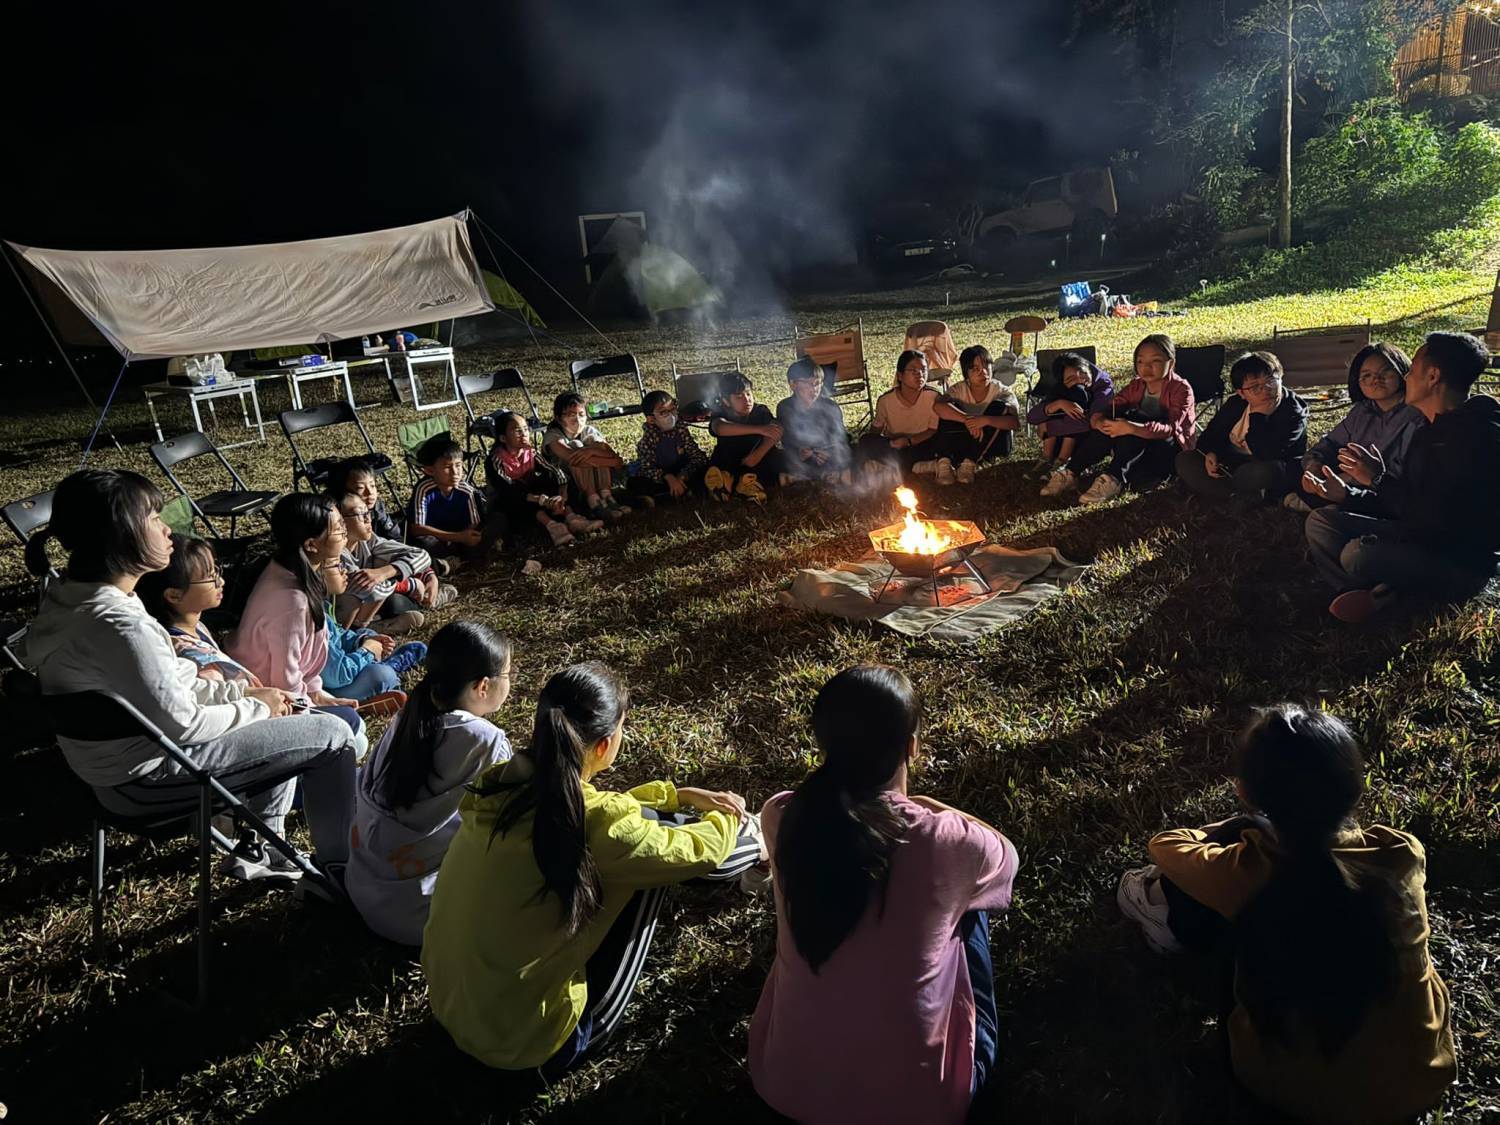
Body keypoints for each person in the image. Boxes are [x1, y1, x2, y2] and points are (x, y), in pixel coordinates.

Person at [1116, 705, 1455, 1124]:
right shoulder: (1402, 852)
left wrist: (1245, 824)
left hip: (1282, 1092)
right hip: (1418, 1079)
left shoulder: (1248, 872)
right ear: (1353, 784)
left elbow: (1165, 846)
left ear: (1246, 791)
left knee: (1214, 906)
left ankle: (1154, 909)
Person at [423, 661, 764, 1072]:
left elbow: (599, 817)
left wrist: (675, 796)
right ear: (604, 744)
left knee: (640, 842)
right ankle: (763, 845)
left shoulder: (500, 786)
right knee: (654, 872)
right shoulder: (596, 824)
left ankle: (755, 847)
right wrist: (731, 817)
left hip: (455, 1010)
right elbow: (698, 853)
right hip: (532, 1046)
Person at [24, 470, 356, 883]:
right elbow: (184, 723)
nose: (167, 530)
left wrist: (242, 692)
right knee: (333, 736)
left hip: (114, 776)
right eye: (154, 519)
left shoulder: (74, 598)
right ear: (122, 535)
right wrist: (255, 706)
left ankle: (265, 847)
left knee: (282, 715)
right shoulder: (118, 623)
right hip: (149, 779)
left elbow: (170, 684)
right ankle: (342, 869)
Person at [749, 665, 1018, 1125]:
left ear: (823, 742)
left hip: (783, 1087)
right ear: (911, 745)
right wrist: (931, 807)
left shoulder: (781, 815)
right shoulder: (950, 840)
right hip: (923, 1106)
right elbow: (1007, 861)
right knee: (971, 910)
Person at [1303, 331, 1500, 622]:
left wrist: (1377, 479)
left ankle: (1386, 594)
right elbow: (1406, 501)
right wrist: (1349, 495)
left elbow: (1438, 522)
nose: (1406, 377)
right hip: (1417, 534)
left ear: (1432, 376)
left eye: (1411, 370)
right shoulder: (1431, 430)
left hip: (1459, 561)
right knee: (1321, 521)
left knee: (1356, 554)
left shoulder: (1476, 438)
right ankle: (1363, 592)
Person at [346, 621, 513, 945]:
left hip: (363, 889)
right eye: (508, 674)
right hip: (420, 916)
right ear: (482, 687)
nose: (511, 682)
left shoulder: (408, 718)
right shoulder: (487, 742)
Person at [229, 494, 363, 740]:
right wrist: (310, 708)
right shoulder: (292, 600)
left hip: (295, 687)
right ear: (311, 545)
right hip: (270, 696)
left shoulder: (290, 569)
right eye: (338, 529)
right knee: (356, 732)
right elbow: (285, 678)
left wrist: (318, 694)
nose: (345, 533)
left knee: (354, 723)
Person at [1283, 343, 1424, 513]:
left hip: (1380, 486)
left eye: (1385, 371)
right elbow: (1331, 443)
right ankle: (1320, 500)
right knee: (1292, 467)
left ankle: (1322, 503)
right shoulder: (1363, 410)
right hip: (1344, 477)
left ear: (1402, 372)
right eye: (1366, 375)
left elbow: (1397, 471)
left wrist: (1344, 481)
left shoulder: (1415, 414)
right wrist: (1315, 466)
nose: (1375, 380)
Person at [1073, 333, 1197, 506]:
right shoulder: (1137, 386)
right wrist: (1100, 420)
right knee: (1117, 421)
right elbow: (1114, 406)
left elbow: (1170, 428)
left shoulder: (1181, 389)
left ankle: (1113, 478)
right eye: (1140, 362)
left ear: (1171, 363)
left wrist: (1133, 427)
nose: (1146, 367)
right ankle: (1071, 472)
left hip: (1170, 449)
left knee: (1134, 419)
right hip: (1138, 445)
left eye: (1155, 361)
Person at [1177, 351, 1309, 505]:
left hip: (1268, 464)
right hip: (1230, 462)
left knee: (1259, 473)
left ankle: (1236, 494)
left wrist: (1258, 416)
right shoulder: (1236, 404)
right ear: (1241, 393)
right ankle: (1240, 495)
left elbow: (1266, 453)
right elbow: (1210, 435)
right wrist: (1212, 453)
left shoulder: (1293, 411)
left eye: (1271, 380)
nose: (1266, 389)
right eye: (1255, 387)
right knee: (1185, 459)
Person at [137, 534, 261, 687]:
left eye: (216, 571)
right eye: (210, 577)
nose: (220, 581)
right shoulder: (195, 661)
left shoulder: (194, 626)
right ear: (174, 595)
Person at [330, 488, 448, 633]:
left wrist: (384, 572)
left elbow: (422, 555)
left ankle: (427, 599)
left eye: (367, 512)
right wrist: (409, 585)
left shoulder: (369, 540)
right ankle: (359, 632)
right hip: (340, 614)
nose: (368, 519)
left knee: (383, 563)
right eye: (360, 514)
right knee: (388, 601)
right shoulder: (335, 553)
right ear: (339, 521)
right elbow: (370, 590)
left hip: (376, 599)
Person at [488, 410, 604, 548]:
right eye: (517, 431)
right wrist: (541, 499)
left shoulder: (530, 452)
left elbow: (554, 471)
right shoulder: (496, 459)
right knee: (516, 495)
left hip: (534, 495)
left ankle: (572, 517)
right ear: (503, 438)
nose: (524, 434)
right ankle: (553, 527)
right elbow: (507, 488)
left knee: (554, 480)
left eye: (525, 429)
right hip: (510, 501)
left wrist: (562, 494)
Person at [317, 560, 427, 703]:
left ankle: (380, 666)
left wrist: (363, 640)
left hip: (337, 671)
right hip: (326, 689)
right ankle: (389, 670)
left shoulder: (321, 605)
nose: (344, 571)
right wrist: (367, 650)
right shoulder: (311, 617)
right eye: (337, 566)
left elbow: (339, 635)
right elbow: (338, 676)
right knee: (381, 675)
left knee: (367, 633)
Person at [409, 433, 505, 565]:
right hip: (440, 538)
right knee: (424, 542)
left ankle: (457, 558)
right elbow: (417, 528)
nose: (455, 472)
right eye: (447, 467)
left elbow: (475, 524)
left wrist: (466, 537)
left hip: (463, 536)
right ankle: (461, 557)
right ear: (430, 471)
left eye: (458, 465)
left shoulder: (467, 490)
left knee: (498, 519)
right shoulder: (424, 489)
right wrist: (457, 538)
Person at [1030, 353, 1116, 497]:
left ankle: (1065, 467)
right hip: (1064, 435)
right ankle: (1048, 461)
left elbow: (1093, 421)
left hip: (1092, 438)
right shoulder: (1062, 387)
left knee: (1064, 422)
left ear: (1087, 367)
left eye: (1082, 373)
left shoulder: (1103, 385)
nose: (1081, 380)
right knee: (1050, 416)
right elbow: (1032, 416)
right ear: (1062, 382)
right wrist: (1058, 404)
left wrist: (1050, 427)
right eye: (1071, 379)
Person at [932, 344, 1020, 484]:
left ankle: (969, 463)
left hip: (996, 443)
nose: (983, 372)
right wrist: (968, 419)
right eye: (975, 369)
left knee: (999, 406)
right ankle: (944, 463)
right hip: (968, 438)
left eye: (986, 366)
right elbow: (938, 406)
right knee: (948, 408)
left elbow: (1015, 423)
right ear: (966, 373)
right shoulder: (959, 390)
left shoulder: (1001, 390)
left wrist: (985, 420)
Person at [856, 350, 945, 486]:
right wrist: (883, 444)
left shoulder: (933, 397)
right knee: (865, 441)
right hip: (895, 445)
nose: (920, 374)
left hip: (922, 443)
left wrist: (909, 441)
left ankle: (893, 466)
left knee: (939, 441)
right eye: (913, 371)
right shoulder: (886, 401)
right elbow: (875, 430)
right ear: (900, 376)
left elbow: (932, 431)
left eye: (923, 370)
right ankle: (916, 466)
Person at [542, 392, 630, 521]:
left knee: (596, 446)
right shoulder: (553, 435)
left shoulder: (588, 430)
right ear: (559, 418)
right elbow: (575, 459)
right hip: (566, 481)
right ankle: (593, 499)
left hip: (594, 476)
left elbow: (608, 452)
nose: (577, 420)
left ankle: (606, 496)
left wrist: (591, 451)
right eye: (571, 415)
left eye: (581, 414)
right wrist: (613, 462)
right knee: (576, 445)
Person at [703, 373, 785, 503]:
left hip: (755, 458)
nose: (747, 400)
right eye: (739, 397)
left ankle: (741, 484)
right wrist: (759, 429)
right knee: (722, 464)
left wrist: (758, 454)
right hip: (731, 459)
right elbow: (719, 428)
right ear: (725, 401)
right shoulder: (721, 412)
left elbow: (777, 429)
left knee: (776, 458)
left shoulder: (760, 411)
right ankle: (725, 483)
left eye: (748, 394)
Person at [775, 357, 851, 485]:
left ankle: (802, 478)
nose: (815, 389)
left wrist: (829, 452)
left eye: (818, 383)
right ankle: (827, 476)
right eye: (809, 383)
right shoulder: (785, 407)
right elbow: (787, 438)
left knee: (848, 452)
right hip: (801, 456)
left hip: (827, 455)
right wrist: (801, 451)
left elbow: (841, 436)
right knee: (780, 458)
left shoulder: (830, 407)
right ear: (793, 384)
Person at [629, 390, 708, 503]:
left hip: (682, 472)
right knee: (636, 482)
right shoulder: (648, 440)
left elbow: (697, 456)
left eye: (672, 409)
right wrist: (668, 477)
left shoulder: (681, 430)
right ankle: (671, 494)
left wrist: (683, 475)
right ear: (651, 419)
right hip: (662, 477)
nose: (671, 415)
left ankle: (675, 492)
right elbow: (647, 468)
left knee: (704, 469)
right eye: (663, 412)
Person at [330, 457, 407, 548]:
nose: (370, 492)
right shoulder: (335, 516)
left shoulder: (377, 506)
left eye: (372, 485)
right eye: (360, 488)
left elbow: (394, 534)